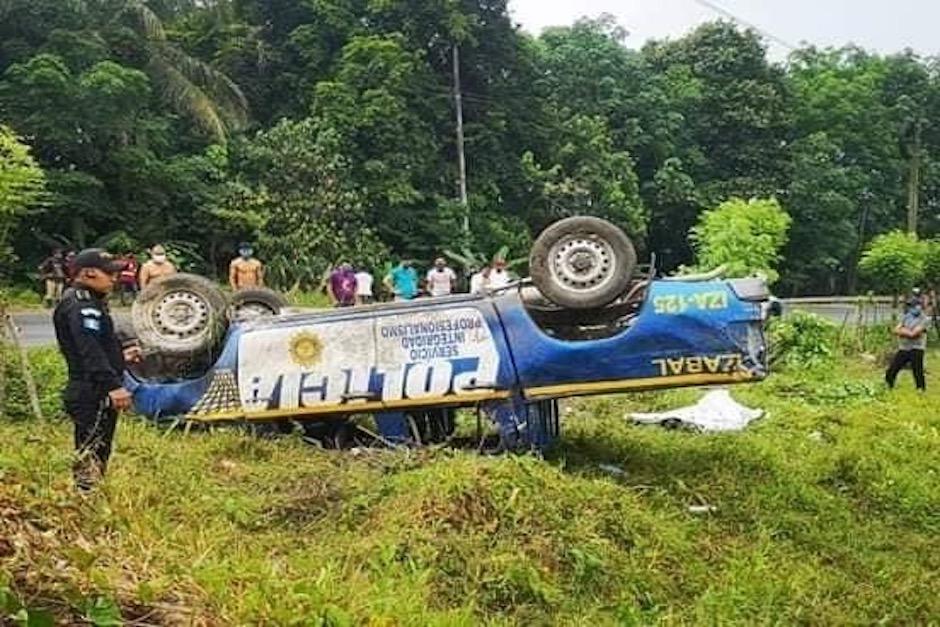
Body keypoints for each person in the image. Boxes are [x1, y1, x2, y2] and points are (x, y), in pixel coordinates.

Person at [53, 249, 142, 491]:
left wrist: (120, 358)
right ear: (88, 273)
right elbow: (88, 350)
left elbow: (96, 348)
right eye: (110, 273)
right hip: (91, 389)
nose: (114, 278)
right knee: (90, 450)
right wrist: (113, 385)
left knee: (100, 449)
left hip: (94, 385)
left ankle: (92, 497)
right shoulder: (81, 305)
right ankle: (86, 500)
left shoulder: (90, 301)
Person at [885, 291, 929, 392]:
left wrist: (903, 331)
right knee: (892, 369)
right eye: (910, 306)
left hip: (917, 348)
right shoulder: (906, 317)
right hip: (904, 348)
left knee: (917, 371)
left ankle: (920, 390)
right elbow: (895, 330)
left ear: (919, 306)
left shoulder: (925, 319)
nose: (912, 308)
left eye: (914, 306)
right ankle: (888, 387)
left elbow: (913, 334)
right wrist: (906, 331)